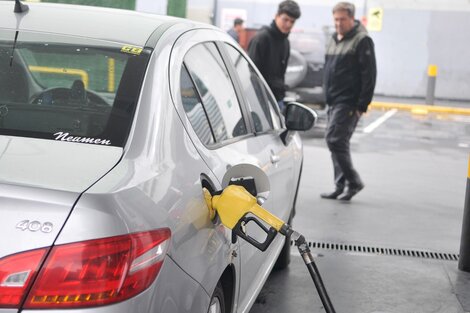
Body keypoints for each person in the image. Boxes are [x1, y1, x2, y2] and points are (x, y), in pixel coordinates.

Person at [321, 2, 376, 201]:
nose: (338, 23)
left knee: (334, 140)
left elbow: (369, 75)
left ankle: (353, 182)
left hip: (349, 102)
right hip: (333, 100)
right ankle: (340, 185)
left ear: (351, 19)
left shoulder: (362, 41)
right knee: (337, 142)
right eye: (336, 19)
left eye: (342, 19)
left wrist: (362, 104)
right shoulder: (333, 39)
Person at [247, 0, 301, 112]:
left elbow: (281, 74)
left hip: (278, 99)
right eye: (285, 19)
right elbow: (251, 75)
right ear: (276, 16)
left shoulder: (286, 42)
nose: (288, 24)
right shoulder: (262, 39)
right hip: (260, 101)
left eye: (292, 21)